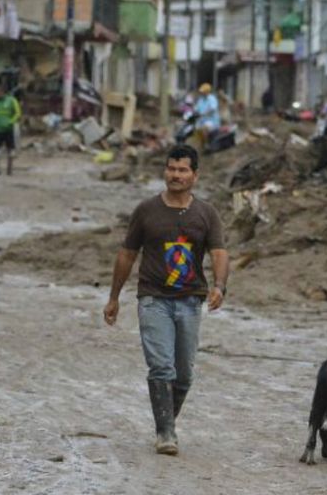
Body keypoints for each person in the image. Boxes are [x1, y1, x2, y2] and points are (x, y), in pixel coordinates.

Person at [104, 144, 230, 456]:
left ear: (195, 176)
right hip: (153, 299)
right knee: (161, 367)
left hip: (190, 301)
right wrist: (114, 297)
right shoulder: (146, 211)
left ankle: (166, 421)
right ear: (165, 171)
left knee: (183, 374)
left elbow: (219, 252)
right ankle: (165, 432)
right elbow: (127, 254)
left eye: (183, 170)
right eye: (171, 169)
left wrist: (220, 286)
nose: (176, 175)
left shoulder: (206, 213)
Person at [0, 85, 21, 176]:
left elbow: (18, 113)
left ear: (3, 92)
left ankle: (9, 169)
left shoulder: (11, 101)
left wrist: (10, 121)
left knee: (11, 151)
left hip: (9, 129)